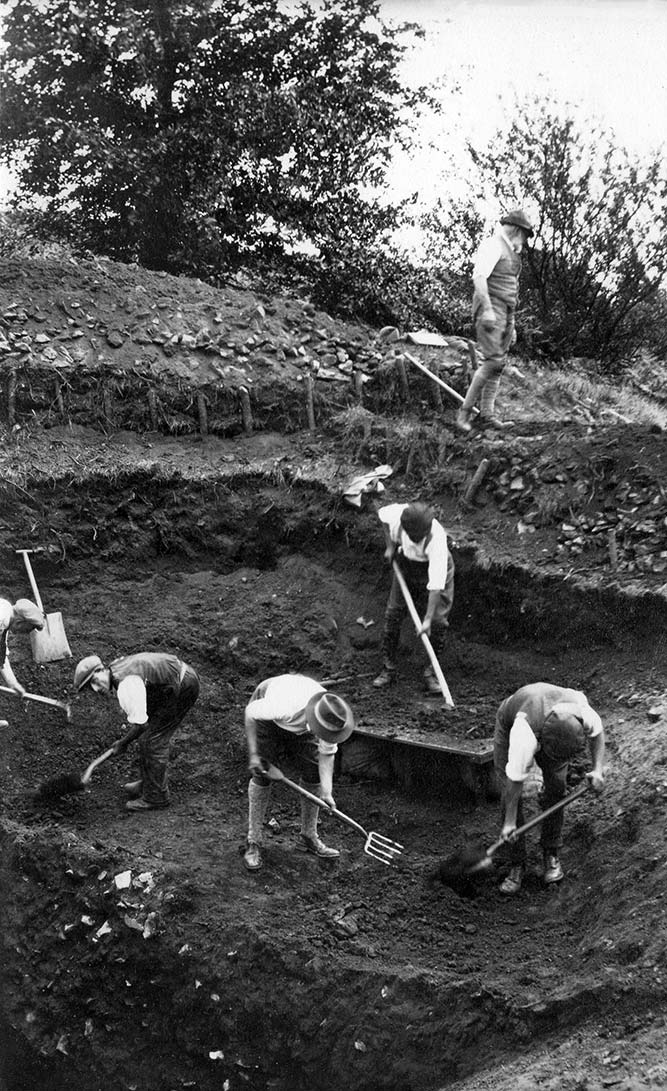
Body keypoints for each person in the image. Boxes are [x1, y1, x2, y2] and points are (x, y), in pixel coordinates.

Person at [494, 682, 605, 895]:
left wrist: (597, 769)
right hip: (513, 719)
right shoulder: (523, 735)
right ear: (542, 744)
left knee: (557, 787)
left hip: (549, 728)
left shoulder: (581, 710)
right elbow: (514, 783)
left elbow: (598, 734)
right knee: (509, 795)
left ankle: (551, 852)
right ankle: (517, 862)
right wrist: (509, 823)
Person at [243, 674, 355, 871]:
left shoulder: (331, 715)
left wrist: (327, 792)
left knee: (313, 771)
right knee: (262, 773)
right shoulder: (281, 707)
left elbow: (327, 754)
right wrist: (253, 754)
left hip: (299, 717)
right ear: (313, 724)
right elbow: (250, 713)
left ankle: (308, 837)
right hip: (266, 711)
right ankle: (254, 842)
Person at [73, 651, 200, 812]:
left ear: (100, 670)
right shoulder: (116, 668)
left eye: (95, 682)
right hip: (168, 685)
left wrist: (123, 743)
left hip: (182, 686)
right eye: (92, 688)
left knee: (153, 741)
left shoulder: (126, 685)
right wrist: (124, 742)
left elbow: (141, 725)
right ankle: (149, 784)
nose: (97, 689)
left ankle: (156, 797)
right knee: (147, 738)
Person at [456, 208, 534, 434]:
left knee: (497, 367)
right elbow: (479, 278)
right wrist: (488, 310)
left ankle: (487, 416)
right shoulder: (492, 245)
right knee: (492, 362)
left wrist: (513, 323)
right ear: (517, 230)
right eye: (525, 235)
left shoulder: (511, 252)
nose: (525, 241)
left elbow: (509, 288)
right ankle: (464, 414)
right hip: (490, 310)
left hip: (506, 313)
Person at [373, 501, 454, 694]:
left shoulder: (437, 541)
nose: (417, 539)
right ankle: (388, 669)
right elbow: (383, 519)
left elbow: (435, 587)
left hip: (432, 568)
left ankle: (430, 673)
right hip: (406, 564)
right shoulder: (395, 517)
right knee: (393, 615)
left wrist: (426, 620)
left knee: (437, 621)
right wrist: (390, 546)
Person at [0, 597, 44, 696]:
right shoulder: (2, 619)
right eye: (27, 629)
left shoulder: (7, 614)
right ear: (20, 621)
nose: (24, 633)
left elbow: (0, 656)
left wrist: (13, 683)